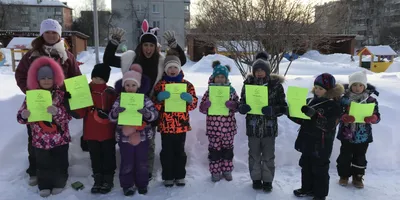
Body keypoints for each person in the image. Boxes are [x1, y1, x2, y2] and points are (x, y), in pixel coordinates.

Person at [103, 19, 187, 180]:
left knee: (148, 141)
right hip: (129, 105)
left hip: (149, 105)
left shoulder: (162, 62)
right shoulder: (130, 59)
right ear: (141, 46)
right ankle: (129, 169)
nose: (148, 48)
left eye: (151, 45)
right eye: (145, 45)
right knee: (128, 139)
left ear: (156, 47)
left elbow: (180, 61)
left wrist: (174, 45)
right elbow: (108, 59)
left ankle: (146, 170)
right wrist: (113, 43)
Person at [14, 18, 82, 186]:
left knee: (60, 138)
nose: (51, 35)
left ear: (59, 34)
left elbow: (76, 77)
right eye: (48, 32)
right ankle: (35, 171)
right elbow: (20, 75)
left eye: (54, 32)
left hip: (59, 104)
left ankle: (59, 174)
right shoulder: (31, 55)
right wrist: (31, 93)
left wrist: (72, 96)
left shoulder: (67, 56)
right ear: (42, 34)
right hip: (37, 103)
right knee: (35, 138)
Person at [17, 57, 72, 197]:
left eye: (49, 77)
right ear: (37, 80)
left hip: (60, 139)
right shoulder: (31, 96)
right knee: (43, 164)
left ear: (55, 78)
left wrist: (57, 111)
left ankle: (60, 182)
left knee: (60, 163)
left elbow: (68, 117)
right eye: (43, 78)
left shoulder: (61, 95)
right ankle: (44, 185)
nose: (46, 80)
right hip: (40, 140)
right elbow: (20, 118)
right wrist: (24, 115)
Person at [238, 51, 287, 192]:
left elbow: (283, 107)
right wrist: (243, 108)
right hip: (253, 128)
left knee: (268, 156)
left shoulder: (276, 86)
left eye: (262, 70)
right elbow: (242, 102)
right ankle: (255, 179)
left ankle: (267, 180)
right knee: (253, 155)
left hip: (269, 129)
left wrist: (273, 110)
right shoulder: (248, 84)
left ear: (267, 71)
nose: (259, 73)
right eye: (256, 70)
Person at [290, 73, 344, 200]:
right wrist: (291, 113)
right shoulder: (310, 100)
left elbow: (329, 125)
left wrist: (314, 115)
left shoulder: (334, 105)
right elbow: (303, 120)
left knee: (320, 169)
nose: (317, 90)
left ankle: (320, 194)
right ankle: (307, 188)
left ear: (329, 90)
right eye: (316, 87)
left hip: (322, 144)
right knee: (306, 165)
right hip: (307, 140)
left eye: (321, 88)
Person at [109, 64, 158, 196]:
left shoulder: (144, 99)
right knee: (127, 162)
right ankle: (127, 185)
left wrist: (146, 113)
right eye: (128, 85)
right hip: (124, 138)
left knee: (142, 161)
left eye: (133, 85)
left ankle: (142, 184)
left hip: (142, 137)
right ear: (124, 86)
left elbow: (154, 114)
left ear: (138, 86)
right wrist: (116, 112)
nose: (130, 88)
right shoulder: (120, 100)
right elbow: (111, 117)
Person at [153, 53, 198, 187]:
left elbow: (194, 104)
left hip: (181, 125)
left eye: (175, 67)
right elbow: (154, 106)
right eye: (169, 68)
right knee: (167, 152)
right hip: (165, 126)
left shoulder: (187, 85)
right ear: (165, 70)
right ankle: (167, 176)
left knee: (180, 152)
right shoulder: (160, 85)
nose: (172, 70)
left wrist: (190, 100)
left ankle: (179, 176)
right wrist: (159, 99)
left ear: (179, 69)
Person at [73, 63, 118, 194]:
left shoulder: (110, 92)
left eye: (101, 78)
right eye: (95, 77)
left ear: (106, 80)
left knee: (109, 156)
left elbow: (117, 109)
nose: (97, 80)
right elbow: (80, 113)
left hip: (107, 132)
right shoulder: (84, 91)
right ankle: (98, 178)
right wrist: (73, 100)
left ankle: (108, 179)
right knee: (95, 157)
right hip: (91, 132)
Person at [336, 71, 381, 188]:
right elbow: (337, 114)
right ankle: (344, 176)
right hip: (347, 134)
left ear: (364, 86)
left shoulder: (371, 100)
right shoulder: (344, 99)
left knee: (360, 157)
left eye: (360, 85)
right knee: (345, 156)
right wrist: (344, 117)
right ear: (350, 86)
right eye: (355, 85)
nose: (357, 88)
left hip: (363, 135)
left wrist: (373, 118)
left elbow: (377, 116)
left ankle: (358, 177)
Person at [199, 61, 239, 182]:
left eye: (223, 77)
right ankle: (215, 171)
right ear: (213, 77)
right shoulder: (209, 92)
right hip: (213, 129)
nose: (220, 79)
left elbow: (238, 106)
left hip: (228, 128)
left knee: (227, 150)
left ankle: (227, 170)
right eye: (218, 77)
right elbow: (201, 109)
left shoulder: (231, 91)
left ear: (226, 78)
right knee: (214, 151)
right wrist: (205, 105)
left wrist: (233, 105)